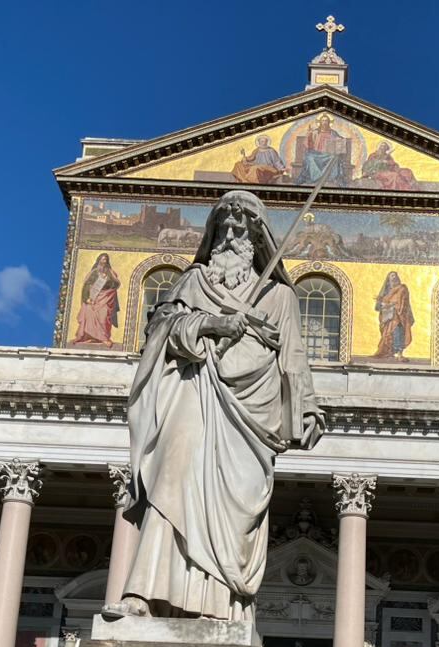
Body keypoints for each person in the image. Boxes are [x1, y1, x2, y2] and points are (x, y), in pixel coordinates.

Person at [103, 191, 324, 622]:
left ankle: (218, 607)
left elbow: (293, 358)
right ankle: (143, 594)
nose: (231, 237)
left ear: (257, 239)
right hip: (195, 388)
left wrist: (308, 409)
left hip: (249, 414)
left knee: (232, 507)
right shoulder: (192, 283)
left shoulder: (279, 297)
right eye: (224, 227)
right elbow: (161, 330)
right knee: (172, 479)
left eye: (241, 230)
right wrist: (212, 322)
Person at [73, 253, 121, 347]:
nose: (104, 262)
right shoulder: (94, 272)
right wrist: (86, 298)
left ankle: (103, 338)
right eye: (103, 260)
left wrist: (107, 280)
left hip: (105, 298)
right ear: (99, 260)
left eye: (106, 260)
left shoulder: (110, 272)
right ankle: (89, 337)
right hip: (93, 298)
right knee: (89, 311)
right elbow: (87, 285)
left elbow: (116, 284)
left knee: (104, 314)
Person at [371, 271, 414, 360]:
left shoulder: (402, 288)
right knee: (388, 334)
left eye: (395, 276)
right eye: (391, 276)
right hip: (388, 316)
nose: (393, 278)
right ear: (388, 279)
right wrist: (382, 301)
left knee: (397, 331)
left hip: (399, 316)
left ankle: (399, 352)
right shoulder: (387, 291)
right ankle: (390, 352)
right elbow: (383, 303)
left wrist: (391, 304)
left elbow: (401, 300)